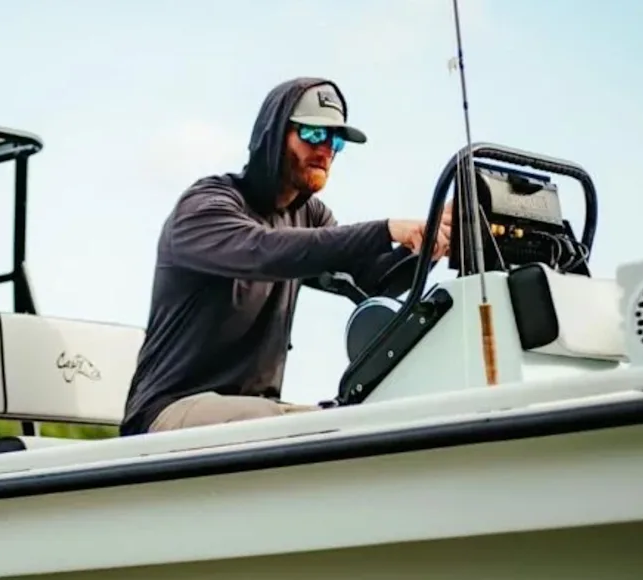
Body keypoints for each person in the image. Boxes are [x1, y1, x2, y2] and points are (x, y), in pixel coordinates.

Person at [120, 77, 451, 436]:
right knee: (320, 427)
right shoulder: (205, 207)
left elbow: (375, 281)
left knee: (356, 417)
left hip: (253, 415)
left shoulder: (310, 215)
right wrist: (385, 229)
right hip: (166, 414)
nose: (326, 150)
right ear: (274, 135)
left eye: (336, 140)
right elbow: (264, 250)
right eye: (312, 135)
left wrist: (431, 241)